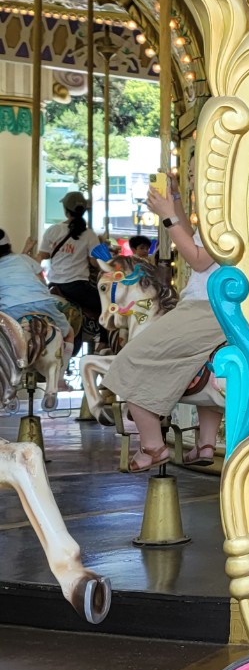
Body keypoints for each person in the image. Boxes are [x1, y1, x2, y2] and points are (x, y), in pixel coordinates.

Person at [102, 175, 226, 471]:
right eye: (191, 173)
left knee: (130, 361)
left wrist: (167, 216)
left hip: (206, 307)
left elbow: (198, 259)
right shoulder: (223, 210)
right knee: (199, 362)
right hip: (211, 304)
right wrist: (177, 200)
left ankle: (153, 446)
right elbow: (195, 238)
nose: (193, 177)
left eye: (196, 172)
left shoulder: (229, 213)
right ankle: (206, 443)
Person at [37, 191, 104, 348]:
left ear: (65, 210)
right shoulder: (89, 235)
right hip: (77, 286)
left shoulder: (53, 230)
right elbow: (95, 263)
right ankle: (103, 343)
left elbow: (43, 255)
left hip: (53, 285)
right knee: (106, 305)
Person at [0, 227, 72, 341]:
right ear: (9, 245)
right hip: (44, 304)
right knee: (68, 332)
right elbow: (42, 281)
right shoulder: (24, 258)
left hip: (11, 310)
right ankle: (66, 352)